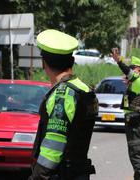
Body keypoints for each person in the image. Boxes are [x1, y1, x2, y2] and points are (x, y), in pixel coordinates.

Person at [29, 29, 98, 180]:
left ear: (44, 63)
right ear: (72, 62)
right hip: (78, 172)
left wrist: (37, 177)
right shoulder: (84, 89)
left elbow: (53, 149)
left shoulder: (63, 95)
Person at [111, 49, 140, 180]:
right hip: (135, 120)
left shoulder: (139, 81)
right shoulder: (138, 82)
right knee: (135, 151)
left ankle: (139, 177)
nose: (131, 71)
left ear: (139, 70)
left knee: (136, 151)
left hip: (135, 121)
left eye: (133, 69)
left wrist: (119, 61)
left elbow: (128, 72)